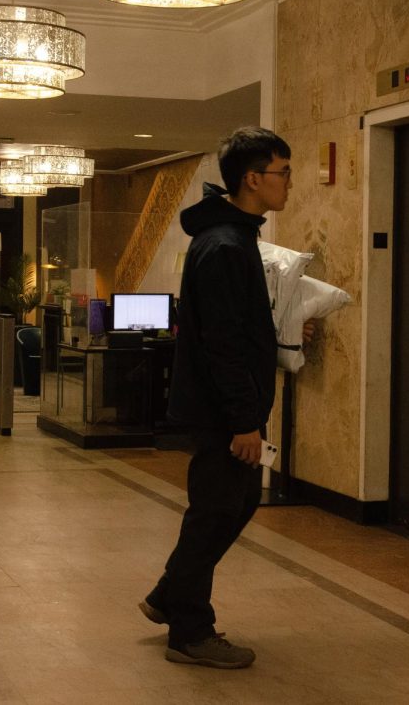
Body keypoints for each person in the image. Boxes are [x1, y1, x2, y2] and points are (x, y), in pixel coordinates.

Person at [139, 126, 309, 670]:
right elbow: (223, 343)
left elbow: (239, 328)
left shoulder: (235, 238)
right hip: (222, 412)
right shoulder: (225, 246)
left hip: (230, 407)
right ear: (253, 179)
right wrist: (243, 421)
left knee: (234, 504)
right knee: (214, 513)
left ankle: (168, 596)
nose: (289, 182)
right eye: (283, 172)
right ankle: (190, 631)